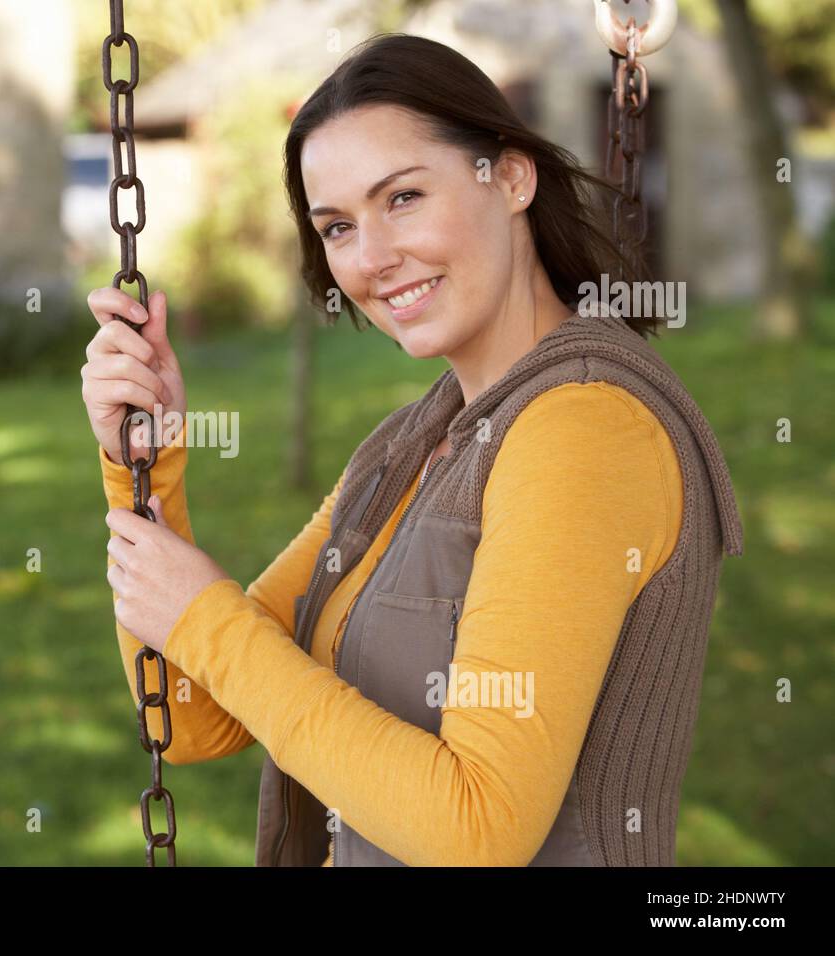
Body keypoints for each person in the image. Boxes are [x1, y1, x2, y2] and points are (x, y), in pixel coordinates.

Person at [83, 34, 744, 866]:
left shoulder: (585, 428)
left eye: (402, 198)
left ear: (511, 177)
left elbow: (479, 829)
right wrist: (145, 467)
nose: (372, 259)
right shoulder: (408, 446)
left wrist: (203, 616)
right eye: (337, 226)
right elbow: (192, 713)